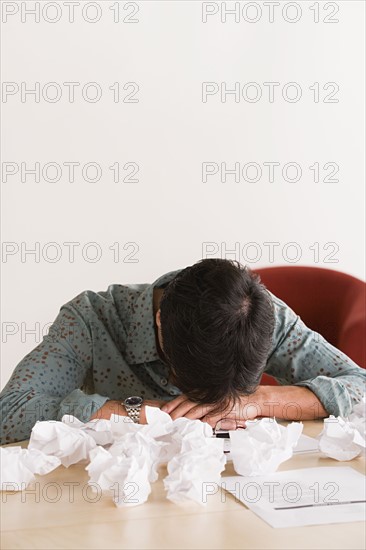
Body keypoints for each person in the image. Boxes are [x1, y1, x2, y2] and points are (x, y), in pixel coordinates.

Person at [1, 258, 365, 444]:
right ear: (160, 321)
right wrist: (142, 413)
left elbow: (359, 384)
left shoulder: (261, 315)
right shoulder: (90, 319)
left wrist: (255, 400)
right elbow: (10, 413)